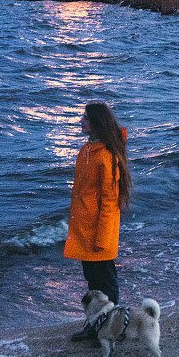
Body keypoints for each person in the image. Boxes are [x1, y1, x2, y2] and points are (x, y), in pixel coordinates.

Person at [64, 101, 132, 341]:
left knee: (105, 283)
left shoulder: (106, 156)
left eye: (85, 118)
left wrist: (103, 238)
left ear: (96, 124)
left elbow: (109, 202)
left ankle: (114, 330)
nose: (81, 121)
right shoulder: (87, 151)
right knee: (93, 282)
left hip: (98, 232)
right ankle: (95, 326)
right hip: (84, 229)